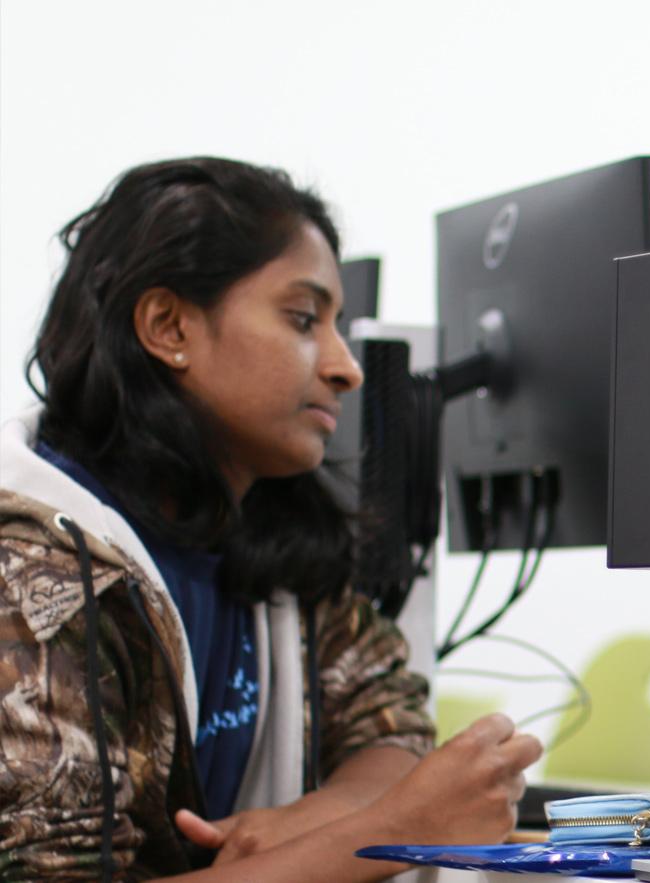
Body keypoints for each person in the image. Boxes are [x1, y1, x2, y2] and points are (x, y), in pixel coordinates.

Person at [1, 156, 542, 881]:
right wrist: (385, 829)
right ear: (168, 326)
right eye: (302, 318)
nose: (346, 366)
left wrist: (308, 823)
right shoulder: (29, 576)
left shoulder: (269, 538)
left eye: (337, 326)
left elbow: (391, 723)